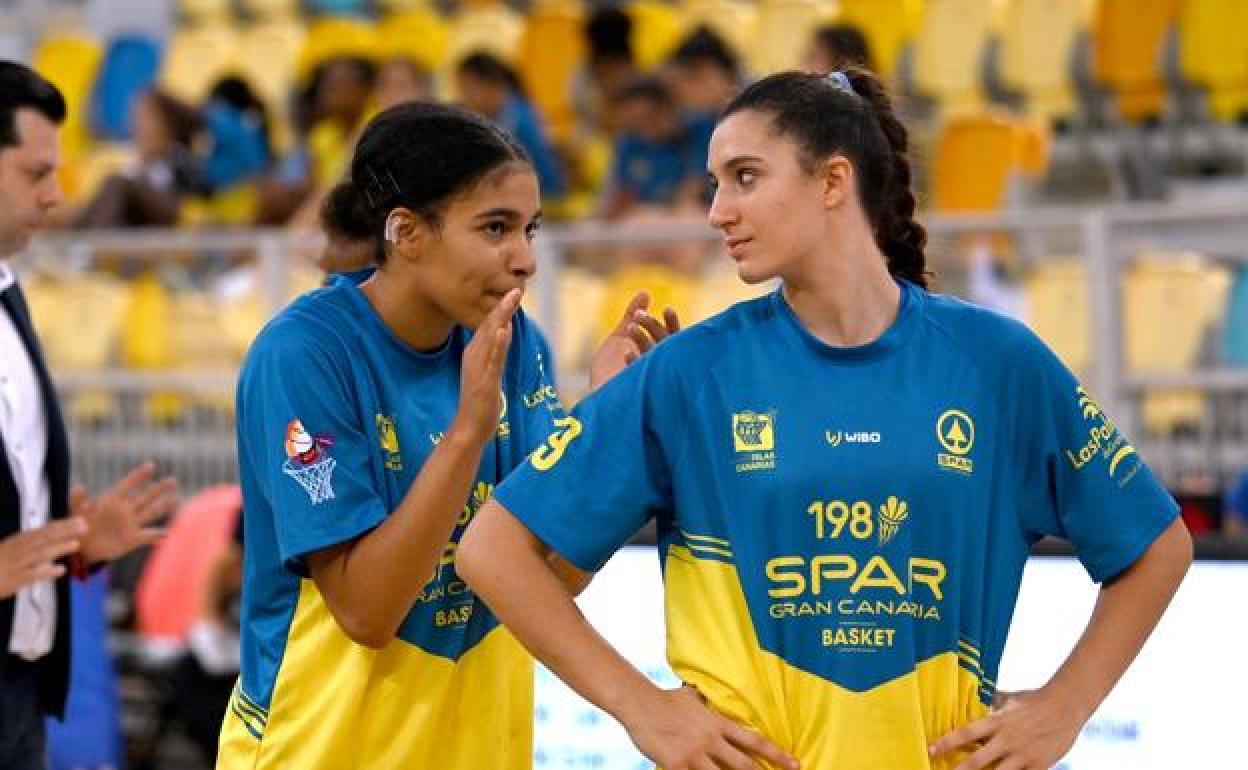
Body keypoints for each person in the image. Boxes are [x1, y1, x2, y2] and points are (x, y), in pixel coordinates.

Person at [458, 68, 1194, 770]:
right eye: (715, 185)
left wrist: (1064, 708)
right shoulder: (691, 372)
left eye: (745, 178)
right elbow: (492, 550)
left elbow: (1156, 546)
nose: (717, 210)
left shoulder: (995, 362)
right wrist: (641, 708)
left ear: (833, 180)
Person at [217, 100, 675, 769]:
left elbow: (556, 574)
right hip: (321, 748)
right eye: (495, 228)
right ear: (406, 233)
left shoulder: (516, 345)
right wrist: (467, 434)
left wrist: (605, 427)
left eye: (530, 230)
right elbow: (368, 613)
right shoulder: (305, 352)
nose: (524, 260)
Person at [0, 59, 178, 769]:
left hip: (18, 688)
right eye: (36, 174)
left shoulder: (11, 298)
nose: (57, 195)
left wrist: (71, 542)